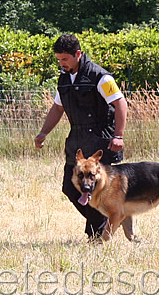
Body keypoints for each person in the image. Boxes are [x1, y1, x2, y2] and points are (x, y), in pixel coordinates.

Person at [35, 33, 127, 240]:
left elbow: (120, 103)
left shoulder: (101, 77)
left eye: (65, 59)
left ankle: (95, 236)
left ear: (78, 54)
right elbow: (58, 108)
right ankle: (111, 220)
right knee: (70, 187)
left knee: (96, 190)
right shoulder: (64, 78)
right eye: (58, 59)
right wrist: (43, 132)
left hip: (101, 141)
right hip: (76, 140)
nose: (62, 63)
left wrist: (118, 136)